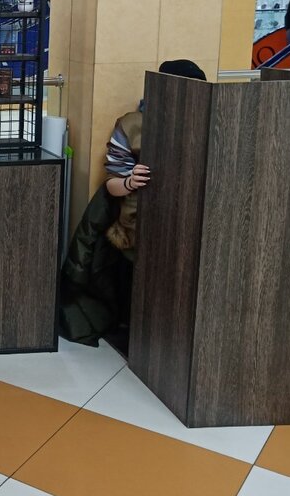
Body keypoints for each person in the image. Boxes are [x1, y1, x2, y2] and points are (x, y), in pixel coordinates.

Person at [59, 59, 207, 349]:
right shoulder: (134, 125)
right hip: (139, 221)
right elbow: (112, 184)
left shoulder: (206, 123)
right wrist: (130, 181)